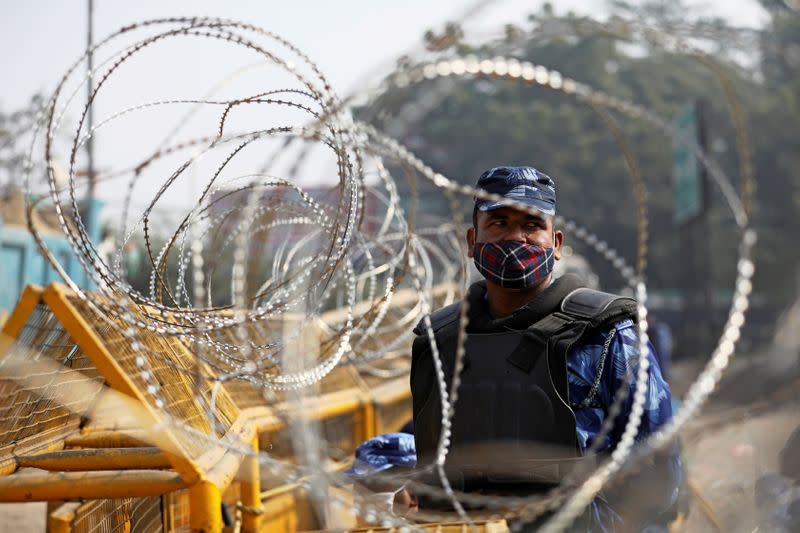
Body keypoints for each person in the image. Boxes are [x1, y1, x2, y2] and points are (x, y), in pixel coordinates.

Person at [405, 166, 681, 531]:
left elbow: (660, 466)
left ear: (557, 244)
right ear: (472, 242)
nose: (515, 238)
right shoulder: (441, 342)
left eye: (532, 225)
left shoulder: (606, 336)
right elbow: (426, 448)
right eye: (499, 223)